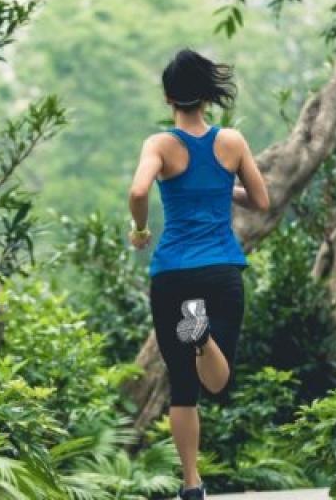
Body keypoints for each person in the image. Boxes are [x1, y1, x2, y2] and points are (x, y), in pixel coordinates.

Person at [127, 48, 269, 500]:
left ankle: (191, 484)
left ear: (168, 97)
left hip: (172, 274)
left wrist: (140, 229)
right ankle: (202, 337)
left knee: (183, 387)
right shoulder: (232, 142)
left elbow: (138, 191)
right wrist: (224, 187)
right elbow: (261, 201)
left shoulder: (159, 145)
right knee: (217, 378)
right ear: (207, 96)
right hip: (220, 270)